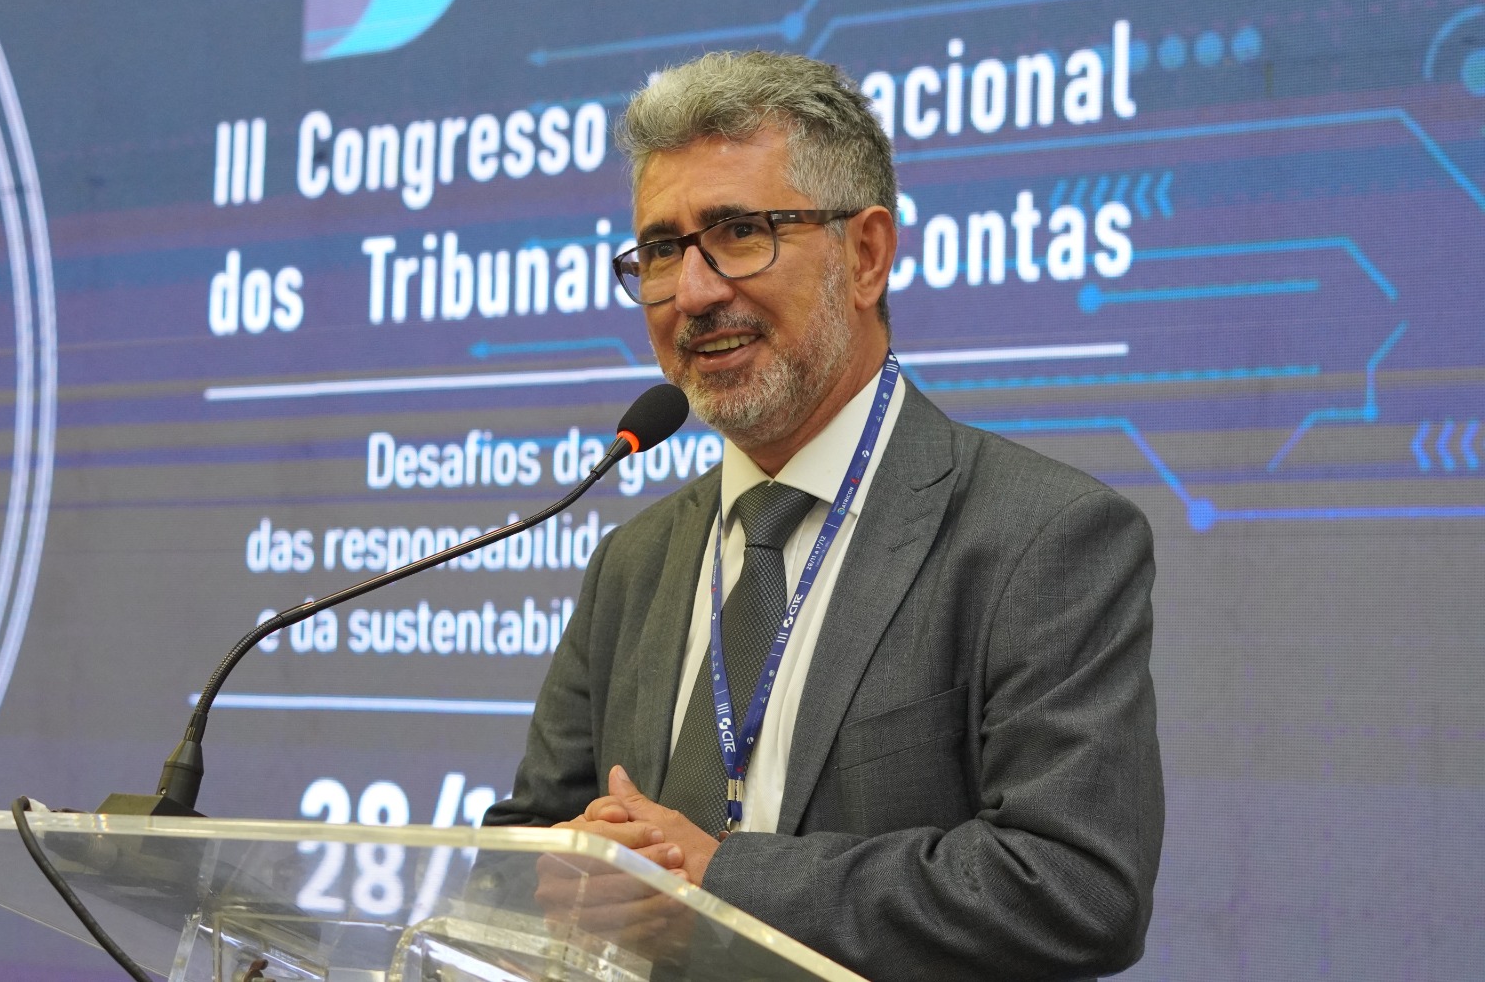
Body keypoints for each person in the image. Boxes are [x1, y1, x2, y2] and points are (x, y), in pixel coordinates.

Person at [481, 51, 1162, 981]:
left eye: (740, 232)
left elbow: (1075, 887)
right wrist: (568, 867)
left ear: (866, 255)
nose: (695, 292)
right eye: (663, 250)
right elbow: (520, 850)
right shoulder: (633, 561)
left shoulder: (1042, 536)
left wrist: (721, 881)